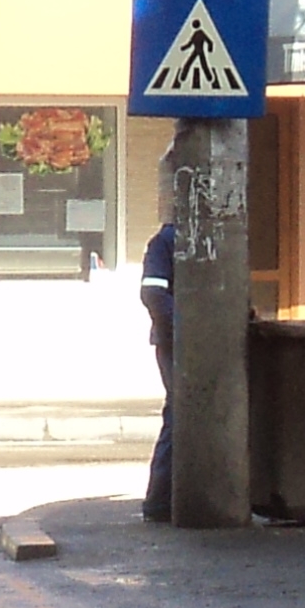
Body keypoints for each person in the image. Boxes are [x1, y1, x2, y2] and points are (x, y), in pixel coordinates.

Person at [138, 217, 178, 522]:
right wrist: (184, 328)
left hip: (193, 341)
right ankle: (159, 500)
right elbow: (152, 293)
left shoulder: (211, 239)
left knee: (184, 415)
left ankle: (169, 498)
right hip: (175, 344)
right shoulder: (165, 242)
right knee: (179, 414)